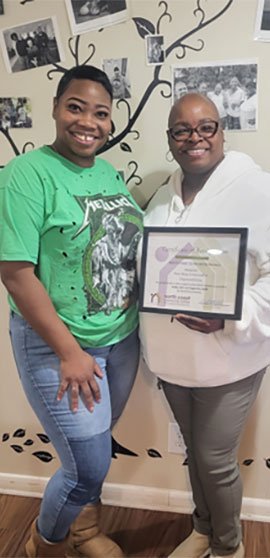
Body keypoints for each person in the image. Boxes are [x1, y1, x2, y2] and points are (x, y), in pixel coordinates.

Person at [0, 64, 143, 558]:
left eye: (100, 113)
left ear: (110, 121)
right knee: (85, 467)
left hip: (120, 339)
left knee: (97, 450)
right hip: (60, 347)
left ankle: (84, 532)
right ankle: (47, 546)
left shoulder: (106, 171)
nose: (89, 122)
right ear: (56, 110)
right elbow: (16, 272)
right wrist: (70, 352)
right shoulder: (25, 175)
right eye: (76, 108)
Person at [139, 93, 270, 558]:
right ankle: (202, 528)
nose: (194, 138)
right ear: (170, 139)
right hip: (172, 361)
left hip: (228, 360)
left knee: (215, 462)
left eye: (205, 127)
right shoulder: (161, 195)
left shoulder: (258, 189)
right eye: (181, 130)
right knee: (196, 454)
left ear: (222, 131)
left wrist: (233, 314)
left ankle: (227, 546)